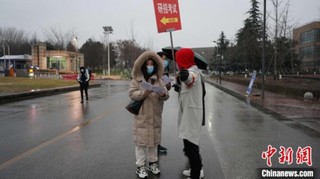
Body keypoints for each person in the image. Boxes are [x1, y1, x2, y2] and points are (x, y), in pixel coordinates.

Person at [129, 51, 169, 178]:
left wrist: (163, 94)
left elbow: (166, 94)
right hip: (142, 116)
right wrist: (144, 92)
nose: (150, 66)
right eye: (147, 64)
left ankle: (153, 163)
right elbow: (132, 94)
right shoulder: (136, 80)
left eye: (152, 64)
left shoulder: (159, 80)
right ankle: (140, 166)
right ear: (142, 65)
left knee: (154, 142)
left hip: (155, 116)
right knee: (140, 143)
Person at [175, 48, 206, 179]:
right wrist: (179, 87)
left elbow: (190, 79)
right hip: (187, 115)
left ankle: (196, 174)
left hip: (191, 116)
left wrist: (185, 76)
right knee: (189, 146)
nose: (177, 63)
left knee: (192, 147)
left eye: (178, 60)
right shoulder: (191, 71)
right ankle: (195, 169)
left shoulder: (193, 72)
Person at [156, 51, 171, 154]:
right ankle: (154, 145)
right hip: (152, 101)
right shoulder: (154, 71)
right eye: (163, 58)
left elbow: (167, 88)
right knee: (153, 124)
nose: (165, 61)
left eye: (165, 59)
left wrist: (168, 84)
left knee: (158, 123)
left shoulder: (164, 72)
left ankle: (157, 144)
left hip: (160, 101)